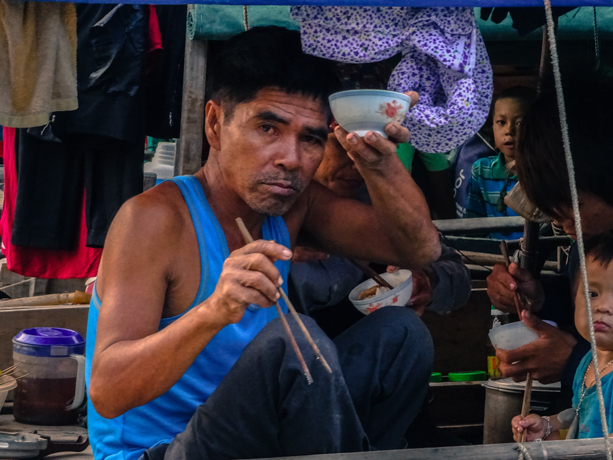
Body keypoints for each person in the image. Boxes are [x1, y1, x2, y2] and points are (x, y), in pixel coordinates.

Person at [86, 26, 441, 460]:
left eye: (310, 138)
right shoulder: (154, 220)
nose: (290, 158)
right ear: (215, 123)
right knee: (291, 343)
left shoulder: (293, 205)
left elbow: (420, 250)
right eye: (267, 127)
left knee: (401, 335)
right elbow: (107, 390)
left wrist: (380, 163)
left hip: (256, 438)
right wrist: (213, 311)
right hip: (160, 452)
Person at [487, 66, 613, 387]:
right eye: (553, 211)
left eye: (575, 206)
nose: (563, 222)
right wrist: (541, 298)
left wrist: (573, 362)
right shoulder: (590, 241)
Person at [290, 123, 471, 319]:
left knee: (405, 325)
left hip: (354, 337)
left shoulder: (378, 201)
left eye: (370, 149)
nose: (356, 162)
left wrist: (427, 280)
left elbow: (455, 274)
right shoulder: (275, 202)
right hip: (284, 337)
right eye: (343, 147)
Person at [512, 233, 613, 441]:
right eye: (592, 293)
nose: (603, 307)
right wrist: (548, 424)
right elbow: (579, 412)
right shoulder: (588, 362)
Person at [466, 86, 536, 240]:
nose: (508, 130)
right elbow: (473, 225)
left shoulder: (543, 173)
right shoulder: (481, 170)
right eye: (501, 122)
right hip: (494, 256)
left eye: (519, 123)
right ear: (492, 127)